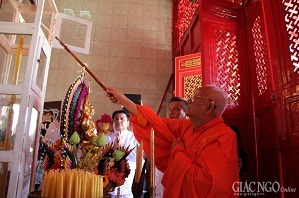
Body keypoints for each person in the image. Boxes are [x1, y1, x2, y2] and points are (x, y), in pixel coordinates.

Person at [106, 85, 239, 197]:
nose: (189, 100)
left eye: (195, 98)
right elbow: (154, 124)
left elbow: (204, 182)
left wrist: (177, 151)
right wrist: (123, 100)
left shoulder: (223, 136)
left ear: (209, 107)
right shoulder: (186, 126)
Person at [104, 109, 140, 198]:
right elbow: (101, 156)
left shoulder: (134, 137)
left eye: (122, 119)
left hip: (128, 173)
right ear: (113, 122)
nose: (119, 121)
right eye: (116, 119)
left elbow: (138, 158)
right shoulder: (106, 137)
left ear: (128, 122)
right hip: (108, 174)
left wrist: (121, 148)